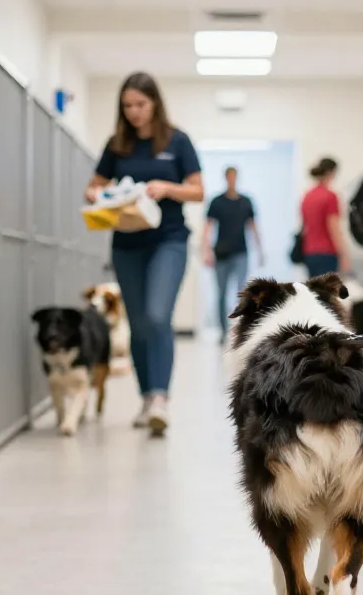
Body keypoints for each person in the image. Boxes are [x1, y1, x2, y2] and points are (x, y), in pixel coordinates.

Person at [84, 72, 203, 436]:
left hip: (168, 240)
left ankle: (160, 399)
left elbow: (198, 191)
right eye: (127, 106)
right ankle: (145, 397)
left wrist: (167, 188)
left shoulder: (177, 141)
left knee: (156, 314)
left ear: (155, 103)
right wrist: (104, 196)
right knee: (137, 323)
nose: (134, 112)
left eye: (141, 104)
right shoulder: (116, 144)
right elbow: (93, 187)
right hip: (127, 243)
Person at [201, 166, 261, 341]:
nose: (232, 180)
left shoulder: (246, 202)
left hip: (241, 253)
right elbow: (208, 227)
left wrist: (260, 250)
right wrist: (206, 251)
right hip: (221, 254)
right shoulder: (217, 202)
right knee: (221, 293)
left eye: (235, 176)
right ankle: (222, 330)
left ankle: (242, 330)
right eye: (229, 177)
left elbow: (253, 226)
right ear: (226, 178)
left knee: (242, 292)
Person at [299, 157, 350, 279]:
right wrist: (344, 255)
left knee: (315, 293)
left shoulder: (307, 196)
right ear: (331, 173)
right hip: (327, 253)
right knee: (327, 295)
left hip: (309, 252)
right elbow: (334, 229)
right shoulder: (330, 196)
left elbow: (305, 226)